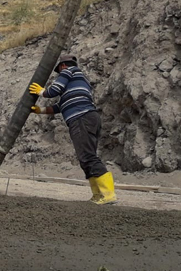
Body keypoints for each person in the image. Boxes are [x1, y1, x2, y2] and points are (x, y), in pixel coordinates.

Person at [29, 54, 116, 204]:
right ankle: (98, 195)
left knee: (88, 157)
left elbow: (53, 90)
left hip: (81, 118)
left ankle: (108, 195)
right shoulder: (77, 85)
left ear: (63, 66)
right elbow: (59, 106)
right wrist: (41, 110)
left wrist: (42, 92)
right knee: (86, 157)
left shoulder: (70, 71)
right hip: (88, 118)